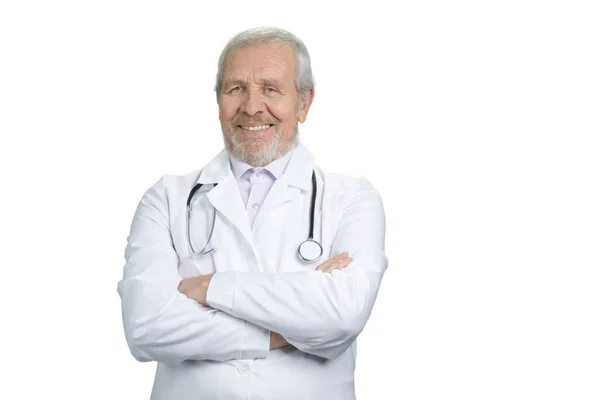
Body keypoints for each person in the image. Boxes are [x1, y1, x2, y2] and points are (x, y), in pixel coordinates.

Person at [117, 26, 388, 400]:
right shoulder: (166, 198)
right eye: (235, 88)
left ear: (305, 103)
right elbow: (146, 327)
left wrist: (208, 287)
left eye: (271, 89)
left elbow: (341, 315)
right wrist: (286, 329)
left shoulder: (352, 198)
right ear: (218, 102)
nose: (252, 106)